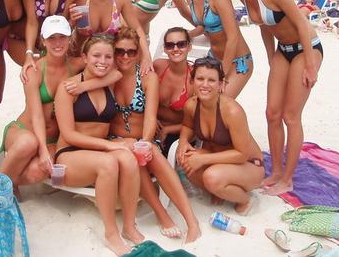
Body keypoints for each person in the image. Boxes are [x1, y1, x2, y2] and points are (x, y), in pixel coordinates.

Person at [224, 0, 323, 196]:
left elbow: (300, 22)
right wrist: (272, 60)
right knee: (271, 113)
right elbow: (264, 27)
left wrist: (311, 65)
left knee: (291, 116)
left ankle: (287, 179)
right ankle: (277, 171)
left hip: (306, 48)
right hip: (283, 50)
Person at [0, 16, 120, 195]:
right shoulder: (34, 70)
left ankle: (10, 180)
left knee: (40, 171)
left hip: (53, 139)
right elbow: (37, 115)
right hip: (25, 131)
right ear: (43, 40)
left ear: (70, 38)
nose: (57, 43)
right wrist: (42, 149)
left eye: (62, 37)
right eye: (52, 38)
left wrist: (85, 86)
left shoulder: (76, 64)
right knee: (28, 143)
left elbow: (116, 73)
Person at [53, 35, 143, 256]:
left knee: (128, 159)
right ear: (84, 57)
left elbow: (117, 73)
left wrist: (89, 84)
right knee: (109, 163)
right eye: (96, 56)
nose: (102, 61)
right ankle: (111, 233)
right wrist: (109, 146)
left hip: (98, 150)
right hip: (70, 155)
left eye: (108, 57)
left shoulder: (107, 82)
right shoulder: (68, 88)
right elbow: (69, 135)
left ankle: (129, 226)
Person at [110, 27, 200, 242]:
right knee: (133, 158)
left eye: (131, 51)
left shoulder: (147, 77)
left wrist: (145, 142)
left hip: (145, 137)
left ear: (138, 53)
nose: (125, 56)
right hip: (115, 141)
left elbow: (150, 117)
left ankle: (191, 221)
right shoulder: (108, 75)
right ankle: (162, 214)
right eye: (120, 51)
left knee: (148, 154)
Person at [177, 57, 264, 214]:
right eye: (200, 79)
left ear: (221, 84)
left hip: (249, 164)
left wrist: (202, 159)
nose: (205, 85)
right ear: (192, 81)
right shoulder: (191, 105)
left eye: (211, 80)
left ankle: (245, 199)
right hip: (219, 158)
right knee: (186, 160)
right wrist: (183, 142)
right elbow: (187, 126)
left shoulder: (232, 111)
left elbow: (242, 154)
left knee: (211, 177)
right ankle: (218, 190)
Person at [183, 0, 253, 99]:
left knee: (219, 102)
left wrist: (222, 75)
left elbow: (233, 37)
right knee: (197, 101)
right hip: (213, 59)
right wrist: (187, 34)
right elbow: (205, 25)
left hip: (237, 61)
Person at [153, 27, 193, 154]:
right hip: (151, 126)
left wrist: (168, 130)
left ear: (189, 47)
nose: (175, 49)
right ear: (165, 49)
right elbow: (140, 94)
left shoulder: (194, 78)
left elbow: (198, 121)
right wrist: (150, 118)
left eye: (181, 44)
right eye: (170, 45)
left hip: (177, 133)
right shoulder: (158, 66)